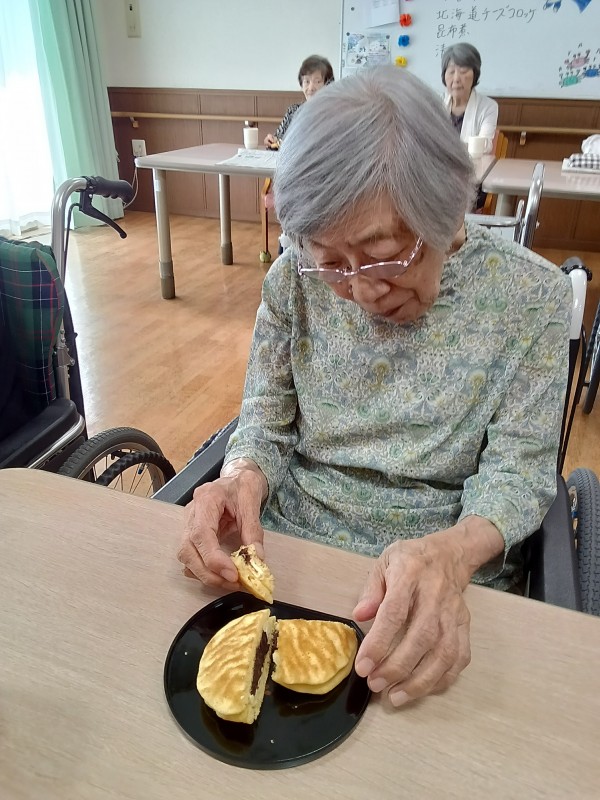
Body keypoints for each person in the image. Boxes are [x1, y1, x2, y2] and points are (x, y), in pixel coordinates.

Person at [179, 67, 571, 709]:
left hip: (439, 581)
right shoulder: (292, 282)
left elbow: (518, 474)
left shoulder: (531, 299)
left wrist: (452, 555)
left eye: (384, 255)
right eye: (332, 263)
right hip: (289, 558)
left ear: (447, 209)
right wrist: (241, 477)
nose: (361, 291)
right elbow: (265, 422)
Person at [264, 54, 334, 149]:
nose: (311, 88)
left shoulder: (333, 114)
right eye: (307, 81)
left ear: (328, 85)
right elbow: (279, 140)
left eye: (317, 81)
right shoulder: (293, 110)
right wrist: (272, 141)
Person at [442, 43, 498, 154]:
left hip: (470, 163)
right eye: (451, 72)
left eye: (463, 71)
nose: (456, 79)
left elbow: (485, 145)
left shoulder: (488, 106)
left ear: (475, 75)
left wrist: (446, 147)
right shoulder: (434, 101)